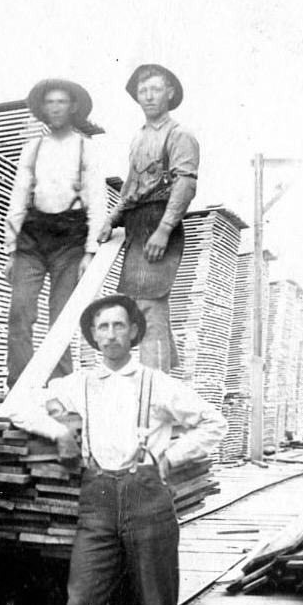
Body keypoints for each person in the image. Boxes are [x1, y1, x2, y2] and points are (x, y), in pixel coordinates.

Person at [12, 294, 226, 605]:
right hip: (98, 496)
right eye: (101, 328)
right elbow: (16, 405)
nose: (109, 335)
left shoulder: (158, 384)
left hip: (147, 495)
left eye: (118, 326)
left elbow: (214, 423)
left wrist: (172, 455)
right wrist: (57, 431)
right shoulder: (78, 384)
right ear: (92, 336)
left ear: (133, 332)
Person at [96, 63, 199, 373]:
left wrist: (165, 229)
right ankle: (169, 378)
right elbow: (131, 186)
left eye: (155, 90)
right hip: (136, 227)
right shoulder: (139, 137)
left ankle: (155, 390)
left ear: (169, 93)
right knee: (141, 306)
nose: (149, 97)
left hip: (159, 223)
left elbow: (186, 183)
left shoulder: (179, 135)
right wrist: (112, 218)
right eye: (143, 91)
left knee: (149, 305)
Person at [4, 77, 105, 384]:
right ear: (42, 109)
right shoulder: (32, 149)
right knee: (20, 312)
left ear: (73, 107)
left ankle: (61, 387)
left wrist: (90, 251)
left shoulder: (86, 148)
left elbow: (97, 201)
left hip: (70, 240)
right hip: (32, 238)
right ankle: (19, 386)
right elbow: (19, 198)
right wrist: (10, 249)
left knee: (62, 318)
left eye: (62, 102)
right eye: (50, 102)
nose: (56, 108)